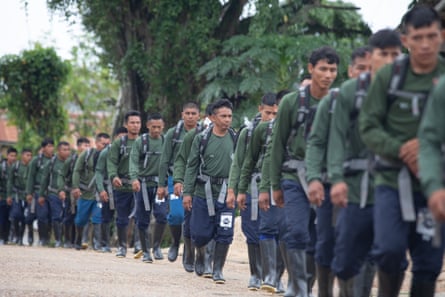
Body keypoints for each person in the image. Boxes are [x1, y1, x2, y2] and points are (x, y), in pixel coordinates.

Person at [359, 6, 445, 296]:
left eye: (431, 36)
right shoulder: (389, 77)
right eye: (417, 37)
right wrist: (400, 149)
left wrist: (428, 147)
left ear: (441, 37)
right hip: (390, 180)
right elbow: (368, 126)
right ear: (405, 40)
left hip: (435, 184)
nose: (424, 44)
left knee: (429, 263)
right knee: (389, 251)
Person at [325, 29, 401, 296]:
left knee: (389, 252)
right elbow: (335, 140)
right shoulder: (350, 91)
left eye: (396, 54)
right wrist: (336, 179)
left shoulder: (410, 90)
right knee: (346, 258)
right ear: (372, 56)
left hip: (394, 185)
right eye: (384, 54)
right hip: (355, 186)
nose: (390, 60)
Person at [269, 46, 339, 296]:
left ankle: (308, 285)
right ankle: (297, 285)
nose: (328, 74)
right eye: (323, 69)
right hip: (293, 176)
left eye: (333, 70)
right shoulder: (292, 102)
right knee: (296, 230)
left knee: (320, 236)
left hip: (326, 177)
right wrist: (273, 185)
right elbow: (277, 145)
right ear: (311, 69)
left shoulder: (338, 102)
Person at [305, 45, 373, 297]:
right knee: (328, 243)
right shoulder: (333, 102)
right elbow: (316, 142)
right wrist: (313, 178)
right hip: (332, 183)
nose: (366, 74)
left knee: (372, 245)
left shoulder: (390, 100)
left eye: (371, 68)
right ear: (351, 71)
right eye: (361, 68)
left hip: (374, 184)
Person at [227, 92, 278, 290]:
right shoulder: (248, 133)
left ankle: (272, 275)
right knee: (251, 229)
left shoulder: (282, 130)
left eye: (275, 114)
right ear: (260, 109)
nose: (271, 118)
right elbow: (238, 163)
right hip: (250, 186)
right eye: (268, 113)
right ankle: (255, 273)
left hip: (273, 187)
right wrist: (233, 190)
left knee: (275, 230)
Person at [183, 98, 236, 284]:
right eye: (223, 116)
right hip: (202, 193)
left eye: (230, 116)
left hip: (227, 194)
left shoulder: (236, 138)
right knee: (200, 232)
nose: (227, 120)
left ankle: (217, 269)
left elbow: (242, 166)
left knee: (225, 232)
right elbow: (191, 166)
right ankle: (201, 255)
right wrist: (187, 192)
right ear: (212, 117)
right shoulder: (202, 138)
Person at [157, 102, 201, 262]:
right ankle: (175, 243)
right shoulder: (173, 133)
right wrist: (161, 184)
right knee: (176, 215)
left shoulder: (204, 132)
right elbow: (164, 160)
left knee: (195, 217)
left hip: (198, 181)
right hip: (175, 180)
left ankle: (190, 249)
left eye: (193, 113)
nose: (190, 116)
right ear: (182, 114)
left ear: (199, 116)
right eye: (187, 113)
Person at [172, 103, 213, 274]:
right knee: (190, 221)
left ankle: (206, 258)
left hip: (217, 187)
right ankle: (189, 252)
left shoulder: (230, 135)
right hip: (194, 184)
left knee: (213, 223)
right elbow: (181, 160)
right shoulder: (194, 135)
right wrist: (179, 180)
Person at [129, 112, 165, 263]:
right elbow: (133, 160)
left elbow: (172, 163)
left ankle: (156, 246)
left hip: (160, 186)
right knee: (143, 219)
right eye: (153, 127)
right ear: (148, 126)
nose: (156, 130)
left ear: (163, 127)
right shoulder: (141, 141)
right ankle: (145, 251)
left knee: (162, 215)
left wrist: (169, 182)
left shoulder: (165, 141)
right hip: (143, 185)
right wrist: (134, 178)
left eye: (159, 127)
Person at [107, 111, 142, 258]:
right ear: (126, 125)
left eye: (138, 123)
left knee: (141, 215)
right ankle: (122, 246)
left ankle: (139, 245)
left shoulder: (144, 142)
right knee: (122, 217)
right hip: (122, 186)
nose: (135, 125)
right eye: (132, 122)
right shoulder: (119, 143)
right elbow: (112, 161)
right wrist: (113, 176)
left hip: (140, 187)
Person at [72, 133, 110, 251]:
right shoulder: (87, 154)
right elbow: (77, 171)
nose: (106, 146)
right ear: (97, 143)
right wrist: (76, 187)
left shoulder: (110, 156)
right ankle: (78, 239)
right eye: (103, 144)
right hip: (85, 193)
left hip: (99, 194)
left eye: (108, 144)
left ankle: (97, 243)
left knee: (98, 218)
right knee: (81, 219)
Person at [96, 127, 128, 253]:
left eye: (124, 137)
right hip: (109, 188)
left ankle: (127, 244)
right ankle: (105, 243)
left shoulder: (133, 150)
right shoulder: (107, 151)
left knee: (125, 216)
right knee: (106, 216)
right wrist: (101, 190)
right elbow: (98, 172)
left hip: (127, 188)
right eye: (120, 137)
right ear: (114, 138)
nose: (122, 140)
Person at [39, 141, 71, 247]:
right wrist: (41, 195)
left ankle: (68, 240)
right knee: (56, 216)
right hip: (53, 193)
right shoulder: (52, 163)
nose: (67, 152)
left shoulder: (72, 162)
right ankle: (58, 240)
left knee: (67, 216)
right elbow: (44, 179)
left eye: (68, 150)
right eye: (64, 150)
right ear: (59, 151)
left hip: (68, 194)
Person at [62, 137, 90, 249]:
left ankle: (78, 241)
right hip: (71, 193)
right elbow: (62, 175)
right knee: (70, 216)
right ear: (78, 147)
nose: (87, 148)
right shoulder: (71, 160)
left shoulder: (90, 159)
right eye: (84, 146)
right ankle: (67, 240)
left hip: (85, 194)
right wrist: (62, 190)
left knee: (82, 216)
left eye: (88, 146)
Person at [26, 138, 54, 246]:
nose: (51, 149)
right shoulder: (36, 161)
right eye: (48, 146)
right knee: (42, 216)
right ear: (43, 148)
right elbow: (31, 177)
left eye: (52, 146)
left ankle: (49, 237)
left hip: (52, 192)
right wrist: (29, 192)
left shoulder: (55, 160)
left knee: (52, 216)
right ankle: (43, 238)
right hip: (38, 191)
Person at [6, 148, 30, 245]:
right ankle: (16, 235)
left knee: (25, 217)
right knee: (16, 215)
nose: (29, 157)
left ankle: (20, 237)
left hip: (27, 195)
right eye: (27, 155)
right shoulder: (16, 166)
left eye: (30, 155)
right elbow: (10, 181)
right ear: (22, 155)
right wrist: (8, 195)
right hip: (17, 195)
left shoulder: (31, 167)